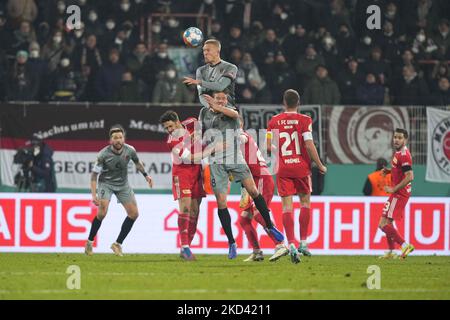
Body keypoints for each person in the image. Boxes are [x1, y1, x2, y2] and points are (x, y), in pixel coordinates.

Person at [198, 90, 285, 259]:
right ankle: (246, 248)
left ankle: (277, 238)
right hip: (226, 167)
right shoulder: (206, 116)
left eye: (224, 98)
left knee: (256, 203)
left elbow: (239, 132)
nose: (222, 101)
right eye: (218, 98)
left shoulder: (236, 123)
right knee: (238, 215)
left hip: (252, 171)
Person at [267, 89, 327, 264]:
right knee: (305, 203)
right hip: (301, 169)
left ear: (284, 103)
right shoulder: (305, 120)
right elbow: (309, 144)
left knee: (287, 208)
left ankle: (291, 243)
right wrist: (320, 164)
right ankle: (303, 242)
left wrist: (282, 154)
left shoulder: (273, 121)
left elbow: (268, 146)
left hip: (283, 169)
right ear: (298, 102)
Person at [85, 125, 153, 257]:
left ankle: (117, 244)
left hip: (123, 185)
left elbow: (137, 162)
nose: (118, 140)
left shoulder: (130, 150)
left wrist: (146, 175)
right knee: (102, 212)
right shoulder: (103, 155)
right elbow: (94, 176)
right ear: (110, 140)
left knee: (134, 214)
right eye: (115, 138)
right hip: (106, 184)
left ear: (124, 138)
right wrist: (94, 195)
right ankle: (89, 242)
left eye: (120, 137)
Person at [237, 117, 289, 262]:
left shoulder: (242, 136)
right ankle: (257, 252)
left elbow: (240, 138)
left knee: (258, 214)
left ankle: (280, 245)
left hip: (261, 180)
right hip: (251, 182)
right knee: (244, 219)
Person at [159, 111, 206, 261]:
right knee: (185, 208)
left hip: (197, 172)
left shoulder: (191, 122)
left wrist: (195, 136)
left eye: (170, 126)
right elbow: (188, 157)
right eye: (166, 128)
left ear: (177, 121)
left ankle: (186, 248)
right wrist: (212, 150)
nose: (169, 130)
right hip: (182, 173)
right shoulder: (171, 140)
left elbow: (199, 126)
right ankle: (185, 247)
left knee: (195, 210)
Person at [378, 129, 415, 260]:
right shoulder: (398, 153)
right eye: (395, 137)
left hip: (399, 194)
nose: (396, 140)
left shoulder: (404, 155)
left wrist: (394, 189)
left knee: (383, 224)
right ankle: (391, 251)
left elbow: (410, 176)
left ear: (405, 140)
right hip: (398, 193)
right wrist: (389, 171)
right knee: (386, 223)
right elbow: (400, 171)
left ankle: (405, 245)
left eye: (399, 138)